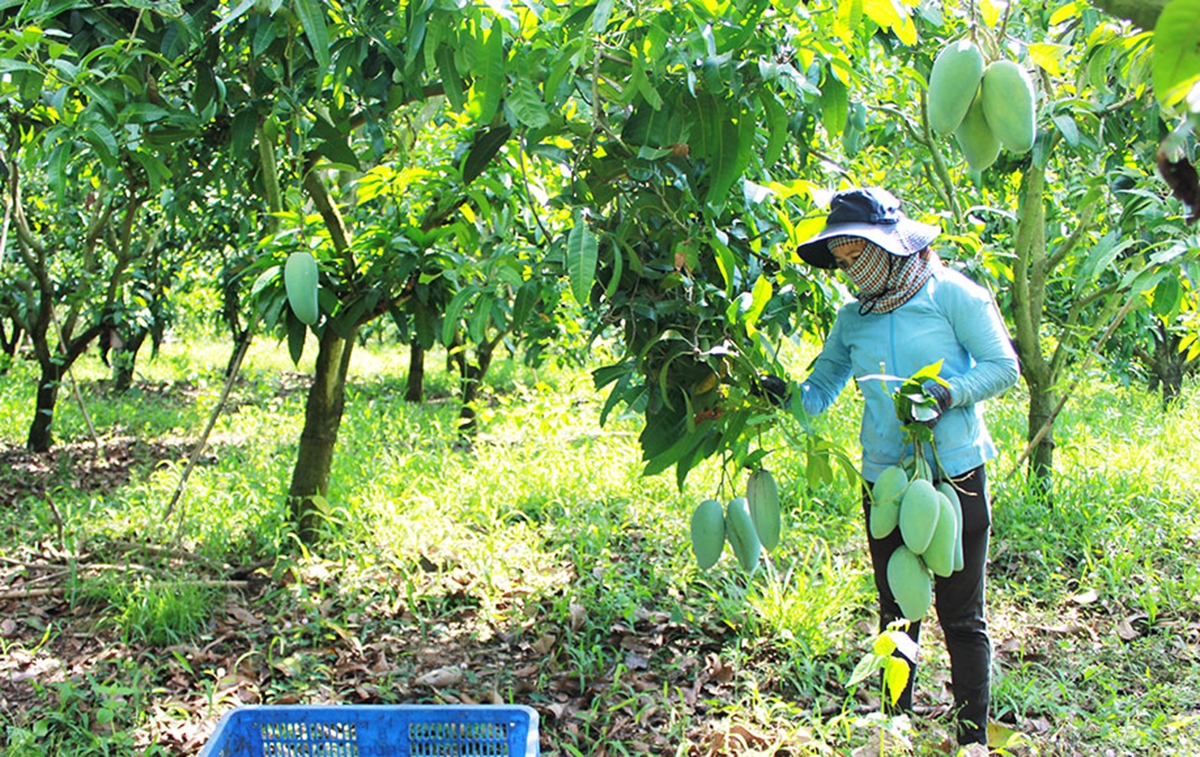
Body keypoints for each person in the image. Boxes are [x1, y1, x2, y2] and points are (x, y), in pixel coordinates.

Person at [792, 187, 1019, 752]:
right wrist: (780, 395)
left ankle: (971, 739)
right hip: (887, 479)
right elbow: (820, 390)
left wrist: (949, 393)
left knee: (961, 615)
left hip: (955, 474)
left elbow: (1003, 367)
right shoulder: (853, 319)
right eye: (842, 262)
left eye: (857, 257)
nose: (850, 273)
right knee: (896, 610)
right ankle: (896, 724)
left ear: (891, 249)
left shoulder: (953, 296)